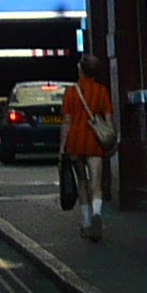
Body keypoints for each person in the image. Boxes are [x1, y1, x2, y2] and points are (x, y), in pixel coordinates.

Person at [61, 55, 117, 243]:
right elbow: (108, 118)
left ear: (81, 70)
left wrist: (62, 147)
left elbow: (67, 121)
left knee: (82, 182)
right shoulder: (102, 91)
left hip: (76, 142)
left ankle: (86, 223)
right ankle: (97, 214)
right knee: (96, 182)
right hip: (94, 142)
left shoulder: (70, 92)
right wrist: (111, 137)